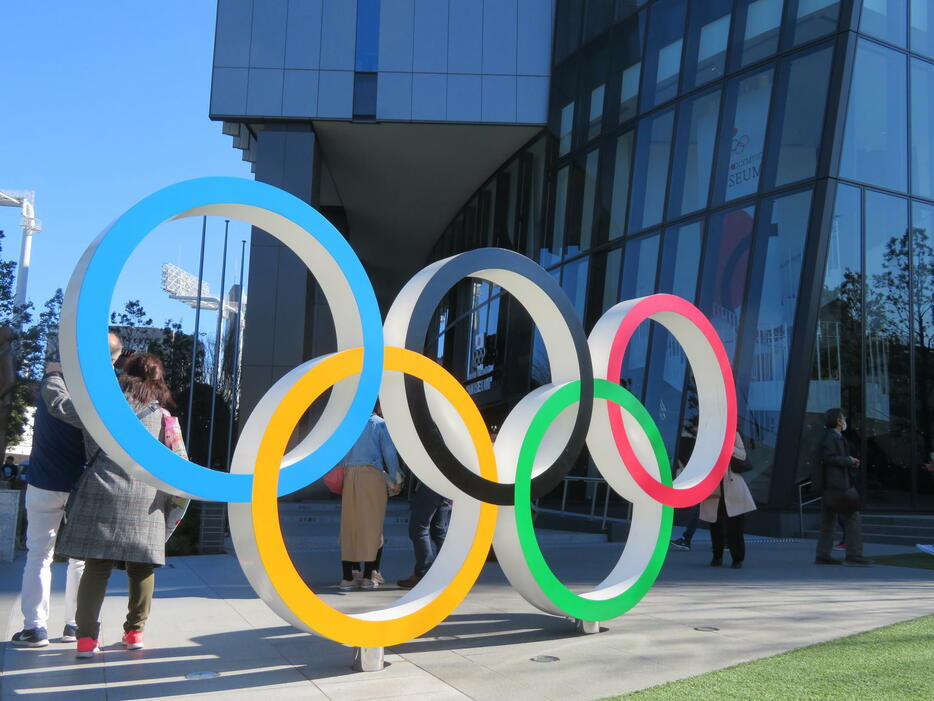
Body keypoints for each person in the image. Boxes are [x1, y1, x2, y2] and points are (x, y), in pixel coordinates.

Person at [53, 353, 186, 657]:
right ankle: (135, 633)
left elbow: (61, 409)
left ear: (126, 374)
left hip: (101, 489)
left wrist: (54, 378)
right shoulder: (163, 416)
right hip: (146, 497)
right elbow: (179, 463)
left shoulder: (104, 406)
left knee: (96, 566)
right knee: (142, 567)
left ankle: (86, 640)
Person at [9, 332, 122, 648]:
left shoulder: (53, 383)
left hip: (44, 481)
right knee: (79, 560)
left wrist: (55, 370)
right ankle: (74, 624)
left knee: (39, 554)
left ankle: (35, 627)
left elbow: (57, 396)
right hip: (82, 487)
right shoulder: (104, 396)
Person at [337, 405, 403, 590]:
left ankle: (347, 577)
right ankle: (368, 576)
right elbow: (389, 453)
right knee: (373, 525)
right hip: (372, 475)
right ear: (378, 406)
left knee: (350, 524)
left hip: (349, 476)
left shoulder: (348, 423)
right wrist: (396, 479)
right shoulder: (379, 424)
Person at [813, 408, 872, 566]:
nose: (845, 420)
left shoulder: (832, 437)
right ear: (839, 421)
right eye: (843, 418)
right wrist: (849, 460)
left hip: (832, 487)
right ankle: (854, 554)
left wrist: (849, 461)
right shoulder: (832, 438)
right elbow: (830, 458)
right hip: (838, 486)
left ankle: (823, 555)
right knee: (853, 517)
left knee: (828, 520)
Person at [700, 433, 756, 569]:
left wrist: (728, 448)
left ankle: (737, 558)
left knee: (736, 527)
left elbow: (743, 455)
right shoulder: (707, 432)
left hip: (732, 486)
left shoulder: (733, 433)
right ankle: (717, 556)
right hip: (714, 486)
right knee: (715, 524)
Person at [397, 480, 451, 589]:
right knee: (439, 531)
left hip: (431, 483)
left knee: (418, 529)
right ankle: (447, 573)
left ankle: (423, 573)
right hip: (446, 484)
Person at [670, 422, 699, 551]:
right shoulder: (691, 441)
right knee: (700, 510)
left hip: (695, 479)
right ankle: (687, 539)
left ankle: (687, 539)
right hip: (698, 479)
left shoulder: (685, 441)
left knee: (697, 510)